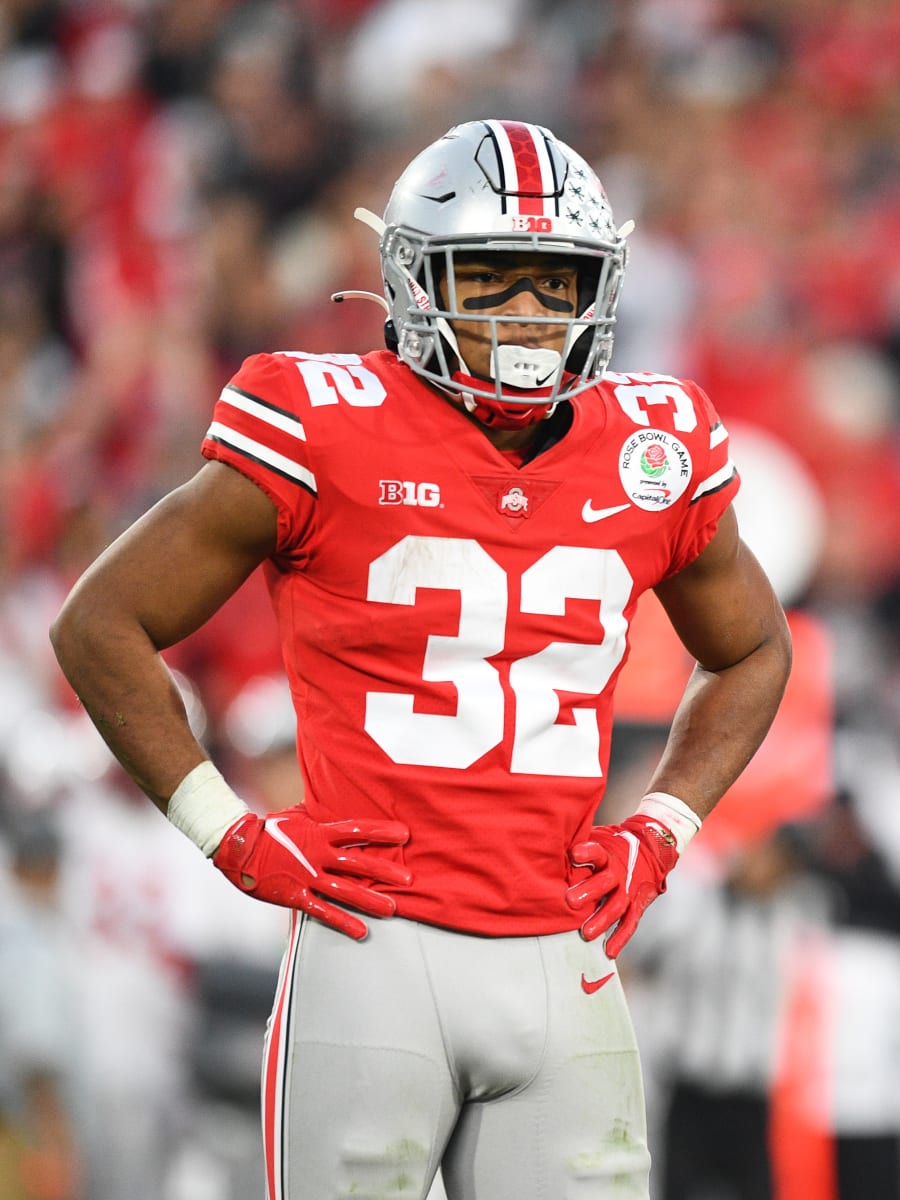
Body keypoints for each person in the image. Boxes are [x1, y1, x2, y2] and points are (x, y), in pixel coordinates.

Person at [49, 119, 791, 1200]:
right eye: (490, 279)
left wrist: (663, 826)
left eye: (557, 282)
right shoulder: (322, 422)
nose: (530, 314)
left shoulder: (654, 444)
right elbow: (99, 624)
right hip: (374, 944)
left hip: (566, 946)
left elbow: (754, 648)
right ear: (412, 279)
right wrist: (231, 833)